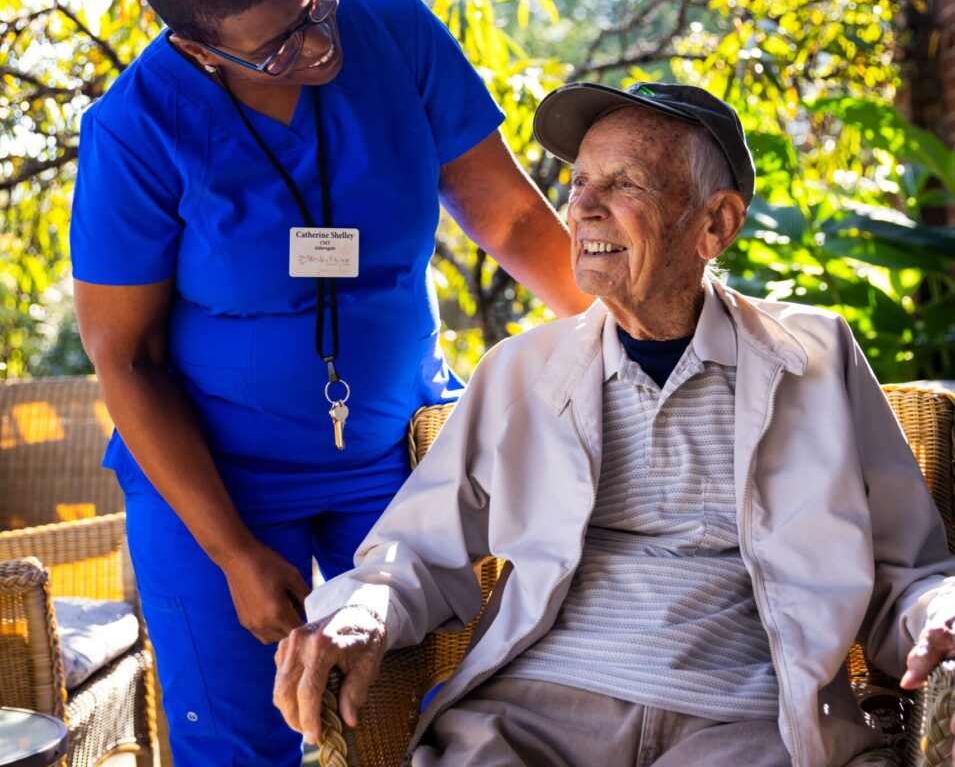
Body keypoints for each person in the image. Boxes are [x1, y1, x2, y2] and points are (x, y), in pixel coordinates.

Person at [274, 80, 955, 767]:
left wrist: (937, 612)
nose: (582, 209)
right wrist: (364, 608)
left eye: (623, 184)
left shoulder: (815, 358)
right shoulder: (520, 370)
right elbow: (415, 552)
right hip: (533, 711)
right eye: (577, 184)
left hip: (746, 721)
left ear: (714, 224)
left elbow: (908, 572)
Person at [69, 0, 591, 767]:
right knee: (241, 741)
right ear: (198, 51)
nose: (318, 44)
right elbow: (124, 358)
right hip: (217, 482)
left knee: (425, 722)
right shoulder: (136, 127)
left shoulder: (393, 29)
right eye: (279, 46)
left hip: (393, 455)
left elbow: (511, 225)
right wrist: (233, 552)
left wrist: (651, 330)